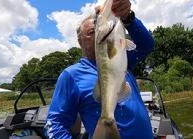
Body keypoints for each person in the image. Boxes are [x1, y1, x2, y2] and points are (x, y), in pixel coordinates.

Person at [44, 0, 155, 138]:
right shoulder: (71, 75)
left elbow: (147, 44)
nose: (97, 32)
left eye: (98, 27)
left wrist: (128, 18)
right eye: (92, 31)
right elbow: (54, 124)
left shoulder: (123, 59)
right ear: (80, 42)